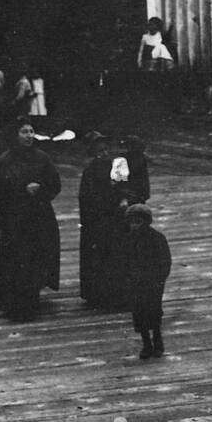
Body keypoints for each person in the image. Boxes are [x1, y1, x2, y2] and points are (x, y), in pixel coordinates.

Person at [0, 121, 63, 321]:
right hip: (14, 218)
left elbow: (55, 184)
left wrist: (41, 189)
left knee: (36, 257)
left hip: (39, 216)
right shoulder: (4, 161)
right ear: (15, 135)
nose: (29, 136)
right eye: (24, 132)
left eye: (31, 131)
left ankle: (32, 299)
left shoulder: (41, 158)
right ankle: (16, 304)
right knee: (17, 260)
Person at [78, 132, 132, 310]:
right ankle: (98, 295)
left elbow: (124, 187)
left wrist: (123, 199)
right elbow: (86, 199)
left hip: (116, 218)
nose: (104, 153)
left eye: (106, 149)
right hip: (98, 220)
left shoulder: (117, 166)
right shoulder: (90, 171)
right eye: (99, 150)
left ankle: (120, 294)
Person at [123, 204, 171, 359]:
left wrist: (160, 279)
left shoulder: (157, 238)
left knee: (154, 312)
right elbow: (123, 261)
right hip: (136, 283)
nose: (135, 226)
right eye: (132, 222)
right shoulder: (128, 240)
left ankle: (157, 340)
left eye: (138, 222)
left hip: (153, 283)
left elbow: (165, 261)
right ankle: (146, 343)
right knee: (139, 313)